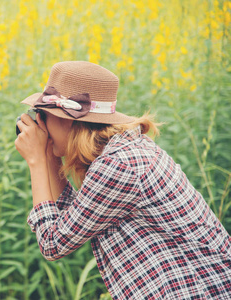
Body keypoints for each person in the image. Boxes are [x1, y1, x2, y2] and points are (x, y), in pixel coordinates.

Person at [15, 61, 231, 299]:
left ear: (67, 120)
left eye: (42, 115)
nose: (39, 123)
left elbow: (53, 243)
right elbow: (70, 218)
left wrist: (36, 162)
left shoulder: (117, 166)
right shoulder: (123, 150)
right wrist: (49, 154)